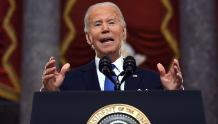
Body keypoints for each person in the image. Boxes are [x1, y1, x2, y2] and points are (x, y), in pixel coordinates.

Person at [41, 2, 183, 91]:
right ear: (88, 37)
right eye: (97, 24)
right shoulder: (68, 83)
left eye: (111, 22)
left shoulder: (154, 82)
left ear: (123, 33)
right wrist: (51, 93)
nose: (105, 28)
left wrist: (174, 94)